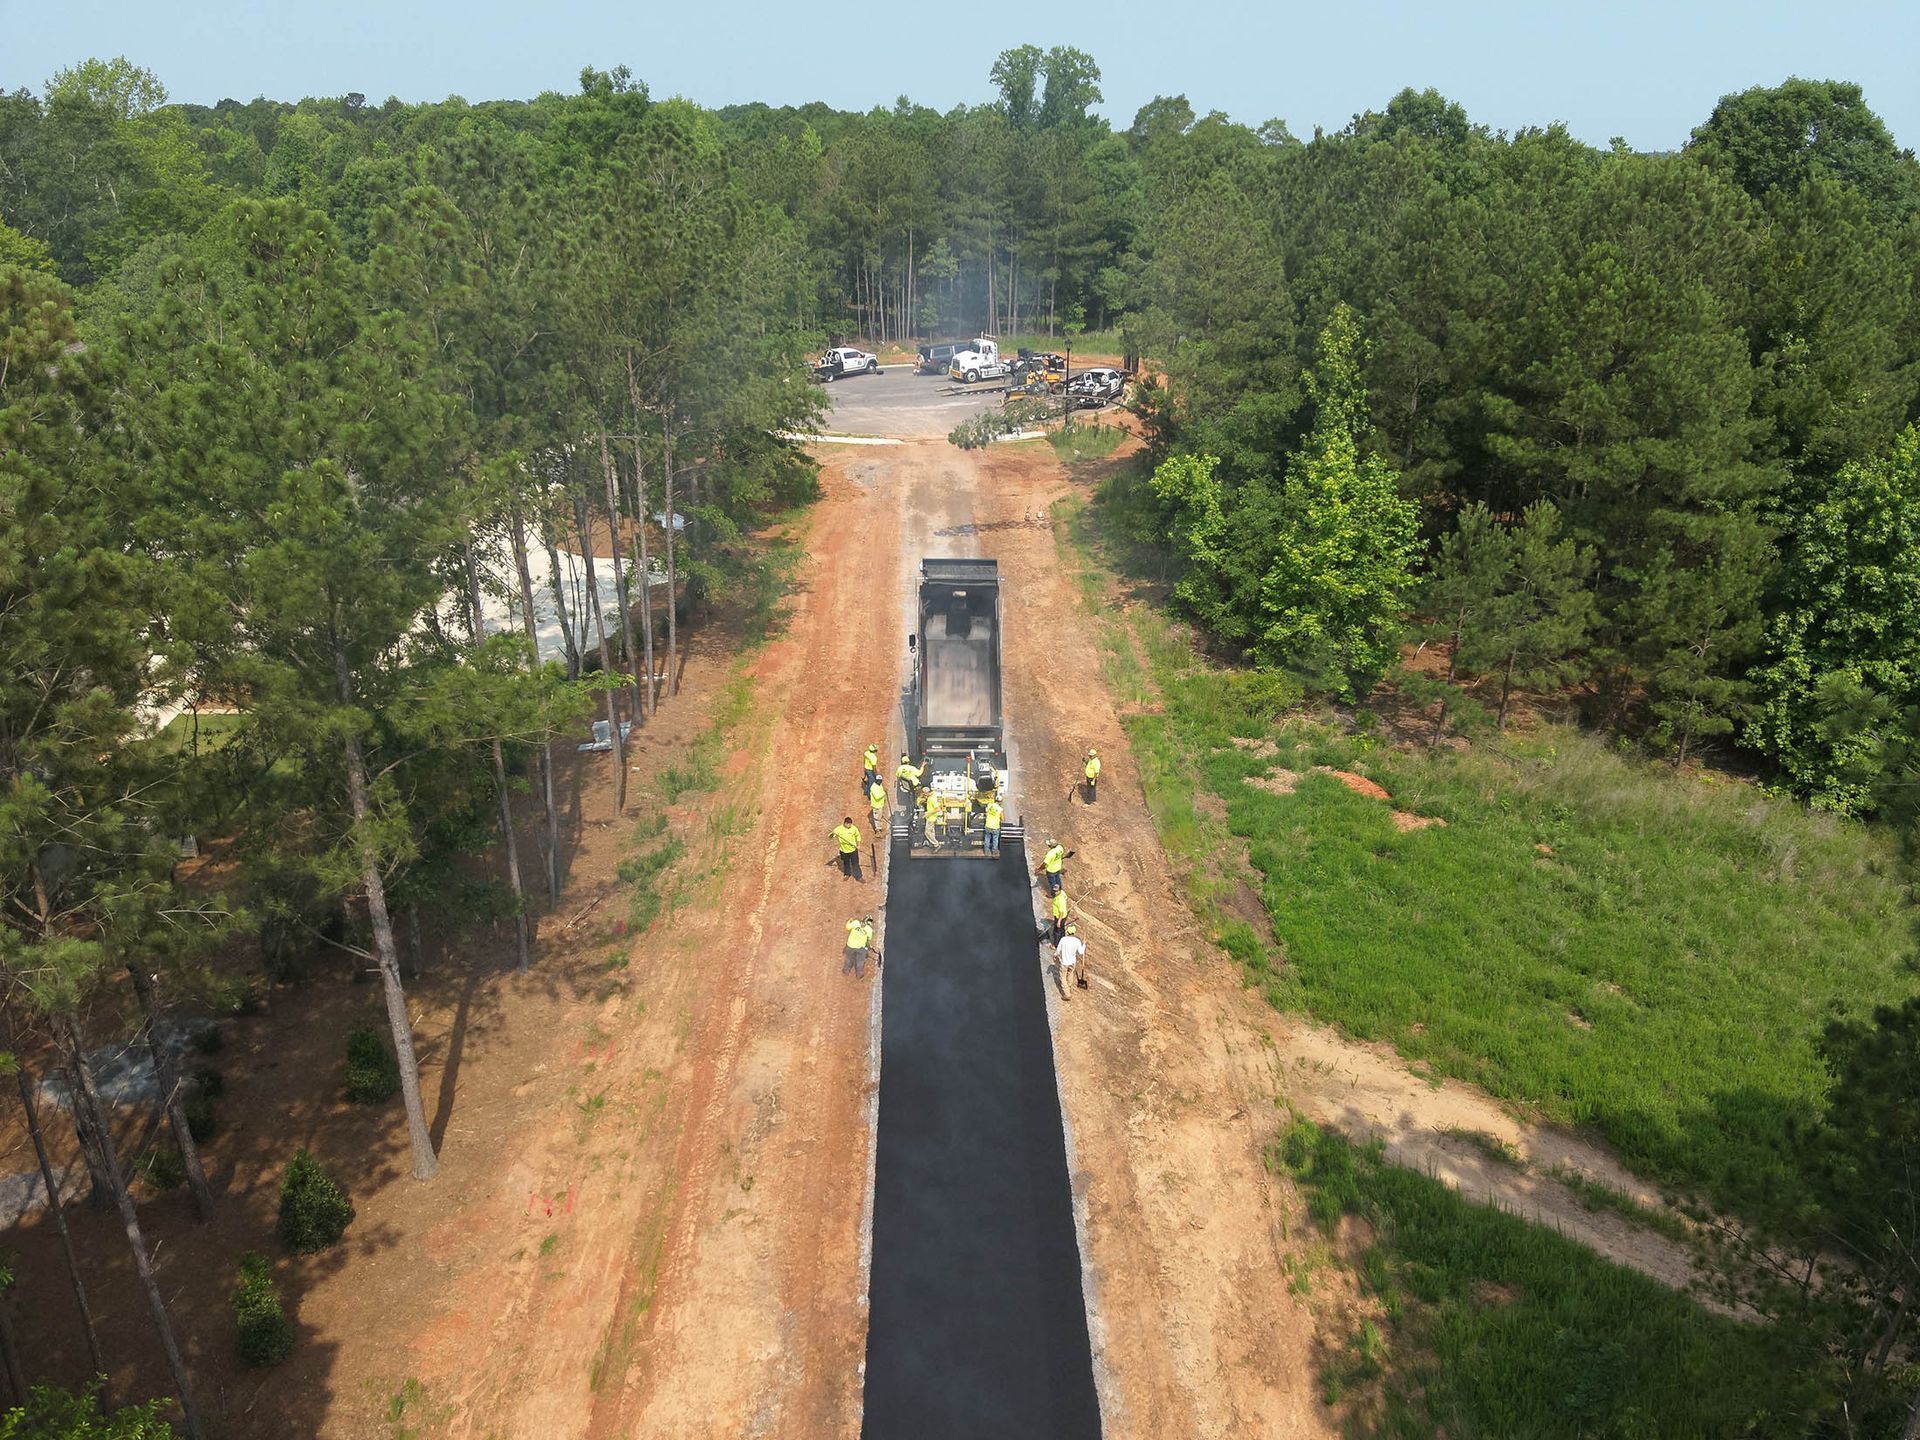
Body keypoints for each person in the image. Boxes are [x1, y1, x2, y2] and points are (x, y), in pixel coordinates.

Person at [1056, 923, 1086, 998]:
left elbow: (1058, 950)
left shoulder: (1063, 939)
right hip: (1072, 962)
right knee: (1070, 973)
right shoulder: (1077, 941)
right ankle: (1069, 986)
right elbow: (1081, 952)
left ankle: (1067, 994)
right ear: (1074, 932)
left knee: (1062, 977)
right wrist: (1084, 945)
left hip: (1064, 962)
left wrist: (1055, 955)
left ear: (1067, 932)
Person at [832, 816, 863, 880]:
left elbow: (858, 836)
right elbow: (830, 836)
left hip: (853, 850)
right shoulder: (838, 829)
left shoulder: (854, 828)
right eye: (848, 824)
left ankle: (859, 876)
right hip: (844, 850)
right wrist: (833, 833)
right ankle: (847, 874)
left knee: (855, 864)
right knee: (846, 863)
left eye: (850, 824)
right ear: (845, 823)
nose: (850, 825)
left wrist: (858, 845)